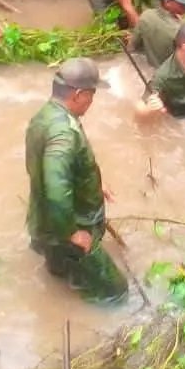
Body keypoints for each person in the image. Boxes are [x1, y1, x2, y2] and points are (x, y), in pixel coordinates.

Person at [25, 58, 128, 304]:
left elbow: (53, 168)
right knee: (116, 292)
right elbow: (57, 190)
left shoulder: (44, 116)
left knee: (60, 271)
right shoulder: (64, 133)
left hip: (44, 222)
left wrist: (93, 183)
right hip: (71, 225)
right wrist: (71, 232)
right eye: (91, 95)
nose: (92, 102)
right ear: (79, 94)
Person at [130, 0, 185, 67]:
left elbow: (132, 48)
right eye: (181, 2)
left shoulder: (145, 16)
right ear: (167, 2)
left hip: (153, 72)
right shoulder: (181, 31)